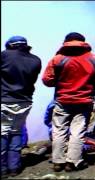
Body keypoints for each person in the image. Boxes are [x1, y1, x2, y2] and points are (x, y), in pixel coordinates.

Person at [42, 32, 95, 172]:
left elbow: (47, 80)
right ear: (83, 42)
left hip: (62, 100)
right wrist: (90, 82)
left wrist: (62, 82)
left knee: (59, 131)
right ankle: (73, 162)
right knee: (78, 131)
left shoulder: (57, 59)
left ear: (66, 42)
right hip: (85, 100)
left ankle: (58, 162)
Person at [1, 36, 42, 178]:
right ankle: (14, 168)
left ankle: (2, 169)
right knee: (16, 132)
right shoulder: (35, 60)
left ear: (9, 45)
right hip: (24, 102)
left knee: (3, 132)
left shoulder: (4, 56)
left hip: (5, 101)